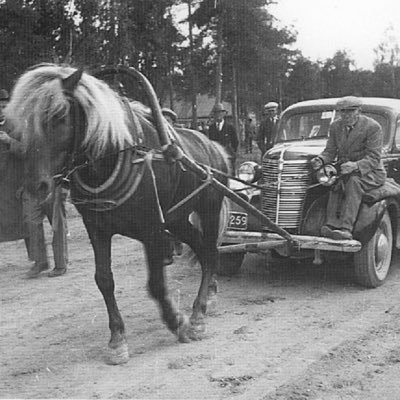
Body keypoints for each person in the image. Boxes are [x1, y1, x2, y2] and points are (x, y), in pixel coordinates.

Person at [0, 89, 69, 277]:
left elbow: (29, 152)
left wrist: (10, 141)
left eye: (5, 106)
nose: (1, 109)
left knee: (57, 224)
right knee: (31, 222)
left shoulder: (23, 127)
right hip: (29, 185)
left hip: (49, 181)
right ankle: (40, 263)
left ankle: (61, 264)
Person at [311, 96, 386, 240]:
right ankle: (330, 226)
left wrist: (355, 165)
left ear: (359, 111)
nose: (346, 115)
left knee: (353, 182)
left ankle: (346, 229)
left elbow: (374, 157)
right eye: (342, 112)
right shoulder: (335, 126)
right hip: (344, 170)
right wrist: (320, 160)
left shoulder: (373, 127)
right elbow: (330, 151)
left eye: (350, 111)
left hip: (371, 172)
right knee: (333, 182)